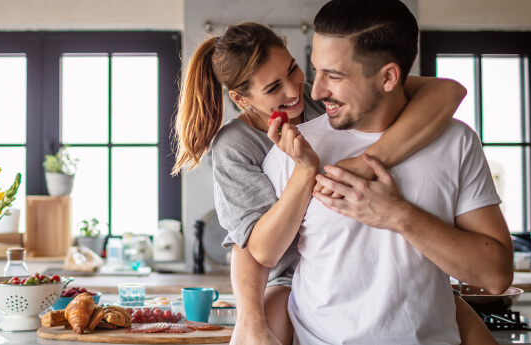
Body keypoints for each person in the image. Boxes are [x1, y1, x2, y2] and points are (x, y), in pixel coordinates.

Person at [171, 23, 486, 345]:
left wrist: (360, 165)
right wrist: (250, 321)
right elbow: (254, 247)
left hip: (365, 256)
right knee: (259, 329)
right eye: (273, 88)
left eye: (293, 69)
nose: (294, 92)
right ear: (240, 98)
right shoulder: (235, 145)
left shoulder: (320, 98)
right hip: (287, 273)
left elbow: (449, 91)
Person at [261, 0, 513, 343]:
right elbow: (258, 254)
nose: (316, 91)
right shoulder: (294, 149)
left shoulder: (456, 143)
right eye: (316, 70)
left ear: (389, 77)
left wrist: (398, 215)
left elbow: (496, 274)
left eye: (333, 76)